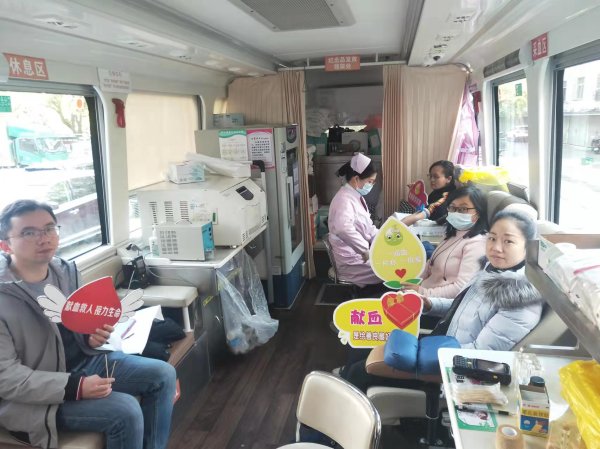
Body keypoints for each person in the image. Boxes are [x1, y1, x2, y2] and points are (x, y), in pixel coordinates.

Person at [0, 200, 176, 449]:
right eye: (29, 233)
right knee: (125, 410)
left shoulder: (65, 271)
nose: (44, 238)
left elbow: (75, 328)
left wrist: (89, 337)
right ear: (5, 244)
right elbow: (6, 378)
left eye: (49, 228)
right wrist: (76, 386)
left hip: (82, 364)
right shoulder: (4, 296)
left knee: (163, 374)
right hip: (34, 399)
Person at [342, 210, 543, 392]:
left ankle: (348, 401)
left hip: (450, 369)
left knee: (359, 372)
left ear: (528, 248)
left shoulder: (518, 300)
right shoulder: (490, 271)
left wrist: (426, 356)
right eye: (492, 238)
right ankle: (345, 382)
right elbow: (460, 306)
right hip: (442, 343)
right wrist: (428, 304)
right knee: (362, 345)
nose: (496, 248)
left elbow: (480, 355)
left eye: (508, 242)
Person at [401, 185, 488, 299]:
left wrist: (422, 292)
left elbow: (461, 288)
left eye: (463, 209)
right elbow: (429, 266)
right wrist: (411, 283)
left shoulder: (477, 244)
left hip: (434, 302)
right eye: (452, 208)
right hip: (420, 294)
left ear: (478, 212)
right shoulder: (453, 233)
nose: (456, 212)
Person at [327, 153, 381, 288]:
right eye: (370, 181)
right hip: (351, 262)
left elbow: (368, 228)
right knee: (389, 268)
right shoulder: (343, 199)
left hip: (358, 255)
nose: (371, 185)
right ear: (356, 179)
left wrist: (384, 239)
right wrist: (364, 250)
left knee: (393, 263)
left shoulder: (355, 197)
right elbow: (343, 229)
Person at [401, 160, 457, 226]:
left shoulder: (448, 195)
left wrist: (408, 221)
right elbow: (426, 203)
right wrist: (416, 193)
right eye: (430, 176)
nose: (432, 180)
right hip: (425, 218)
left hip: (433, 226)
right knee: (403, 203)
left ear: (448, 179)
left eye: (436, 177)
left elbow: (433, 207)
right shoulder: (438, 191)